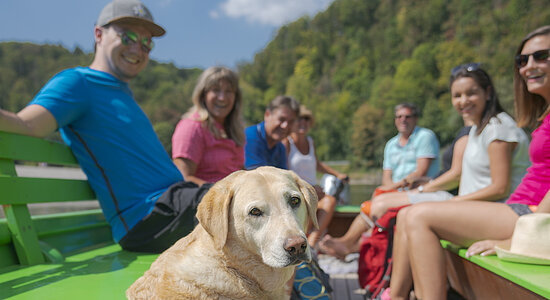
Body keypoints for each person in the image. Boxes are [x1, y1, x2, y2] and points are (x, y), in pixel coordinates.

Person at [0, 0, 211, 253]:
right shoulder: (78, 83)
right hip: (150, 218)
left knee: (248, 193)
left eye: (147, 43)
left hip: (177, 203)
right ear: (98, 34)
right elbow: (27, 124)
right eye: (129, 36)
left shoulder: (123, 93)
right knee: (245, 202)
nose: (139, 48)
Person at [388, 26, 550, 300]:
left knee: (419, 215)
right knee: (407, 214)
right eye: (522, 60)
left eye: (541, 56)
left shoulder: (499, 127)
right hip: (519, 208)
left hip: (530, 215)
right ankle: (395, 296)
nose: (528, 66)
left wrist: (514, 242)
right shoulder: (544, 116)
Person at [283, 105, 349, 247]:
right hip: (296, 194)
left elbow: (317, 165)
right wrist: (308, 188)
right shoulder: (287, 143)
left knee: (330, 201)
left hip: (314, 194)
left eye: (306, 119)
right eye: (299, 119)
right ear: (292, 123)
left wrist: (338, 174)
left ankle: (312, 245)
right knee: (307, 207)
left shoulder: (310, 142)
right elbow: (284, 172)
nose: (303, 123)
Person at [171, 66, 245, 186]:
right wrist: (221, 193)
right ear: (203, 94)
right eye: (215, 90)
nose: (222, 98)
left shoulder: (235, 130)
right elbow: (184, 178)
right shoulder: (192, 127)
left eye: (229, 91)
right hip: (206, 200)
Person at [380, 103, 441, 191]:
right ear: (395, 120)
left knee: (380, 201)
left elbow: (421, 172)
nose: (403, 120)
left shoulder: (425, 136)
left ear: (415, 119)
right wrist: (392, 191)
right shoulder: (390, 144)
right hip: (395, 191)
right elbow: (386, 177)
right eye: (399, 117)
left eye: (407, 117)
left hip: (420, 191)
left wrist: (395, 189)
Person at [244, 95, 299, 170]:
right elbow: (259, 177)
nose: (285, 126)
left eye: (291, 122)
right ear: (267, 115)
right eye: (281, 119)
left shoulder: (280, 148)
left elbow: (284, 177)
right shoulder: (250, 137)